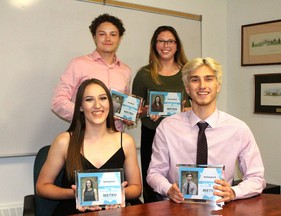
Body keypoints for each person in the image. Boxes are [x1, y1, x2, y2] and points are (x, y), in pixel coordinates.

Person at [147, 57, 266, 204]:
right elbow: (154, 173)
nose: (202, 86)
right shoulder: (167, 127)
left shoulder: (238, 129)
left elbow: (256, 178)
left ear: (218, 86)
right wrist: (168, 189)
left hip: (220, 208)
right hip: (176, 208)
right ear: (187, 88)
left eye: (208, 79)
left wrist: (234, 192)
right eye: (195, 80)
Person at [37, 79, 142, 215]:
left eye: (103, 98)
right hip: (74, 211)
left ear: (109, 104)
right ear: (80, 106)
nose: (97, 105)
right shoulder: (64, 141)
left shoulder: (126, 141)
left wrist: (119, 194)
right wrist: (76, 194)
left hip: (115, 211)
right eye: (89, 100)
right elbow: (42, 187)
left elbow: (136, 188)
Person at [132, 25, 190, 203]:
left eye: (170, 41)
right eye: (161, 41)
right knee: (153, 182)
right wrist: (147, 111)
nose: (166, 45)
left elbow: (199, 106)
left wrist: (184, 110)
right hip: (152, 134)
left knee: (180, 180)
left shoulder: (188, 72)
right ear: (155, 45)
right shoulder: (143, 74)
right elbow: (133, 111)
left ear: (177, 45)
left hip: (182, 136)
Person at [51, 13, 131, 131]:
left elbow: (125, 106)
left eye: (113, 34)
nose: (108, 39)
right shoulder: (78, 64)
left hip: (116, 137)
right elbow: (58, 101)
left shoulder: (126, 70)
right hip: (85, 135)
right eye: (102, 34)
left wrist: (128, 116)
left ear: (119, 38)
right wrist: (86, 116)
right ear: (94, 37)